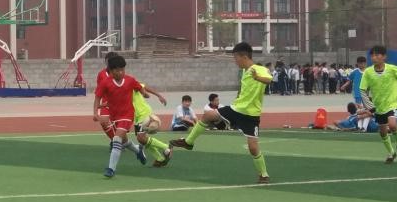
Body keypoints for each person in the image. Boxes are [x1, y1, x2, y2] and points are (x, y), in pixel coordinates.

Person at [170, 42, 273, 184]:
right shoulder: (244, 72)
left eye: (236, 58)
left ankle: (264, 174)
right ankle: (188, 142)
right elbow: (244, 89)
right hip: (237, 109)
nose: (235, 61)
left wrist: (258, 78)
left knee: (253, 148)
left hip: (251, 115)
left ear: (244, 57)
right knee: (208, 115)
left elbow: (269, 79)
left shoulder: (258, 69)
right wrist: (238, 96)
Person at [92, 55, 161, 178]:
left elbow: (140, 87)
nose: (121, 72)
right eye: (117, 70)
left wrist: (145, 94)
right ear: (111, 71)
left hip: (127, 115)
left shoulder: (130, 80)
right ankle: (138, 151)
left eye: (122, 69)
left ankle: (111, 169)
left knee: (116, 139)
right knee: (124, 141)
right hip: (114, 116)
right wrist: (95, 113)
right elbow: (97, 97)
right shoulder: (105, 83)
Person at [359, 44, 397, 164]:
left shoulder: (392, 69)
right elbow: (362, 89)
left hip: (391, 103)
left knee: (392, 125)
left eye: (377, 55)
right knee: (382, 131)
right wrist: (369, 106)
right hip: (378, 106)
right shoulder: (368, 72)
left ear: (384, 56)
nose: (374, 58)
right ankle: (391, 152)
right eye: (372, 55)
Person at [131, 79, 172, 167]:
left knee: (141, 138)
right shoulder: (116, 87)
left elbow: (144, 87)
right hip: (137, 116)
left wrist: (159, 95)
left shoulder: (129, 82)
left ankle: (166, 147)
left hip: (143, 113)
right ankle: (159, 159)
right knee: (142, 139)